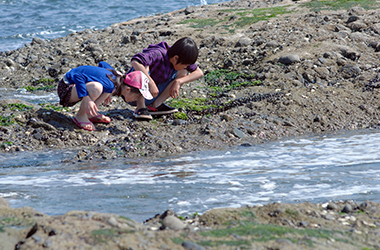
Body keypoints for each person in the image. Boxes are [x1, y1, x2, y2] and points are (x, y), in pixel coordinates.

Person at [57, 61, 153, 131]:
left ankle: (90, 114)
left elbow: (103, 64)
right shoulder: (111, 83)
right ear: (128, 89)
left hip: (74, 87)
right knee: (97, 88)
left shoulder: (117, 78)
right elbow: (78, 76)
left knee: (108, 88)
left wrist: (107, 92)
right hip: (65, 88)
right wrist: (86, 98)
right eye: (136, 97)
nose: (135, 100)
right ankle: (80, 116)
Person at [128, 37, 204, 120]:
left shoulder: (181, 57)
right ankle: (140, 108)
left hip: (151, 94)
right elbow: (135, 61)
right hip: (132, 94)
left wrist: (179, 81)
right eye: (185, 64)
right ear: (175, 58)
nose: (186, 66)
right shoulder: (158, 53)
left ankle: (155, 106)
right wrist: (150, 82)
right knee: (145, 65)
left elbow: (199, 73)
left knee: (184, 72)